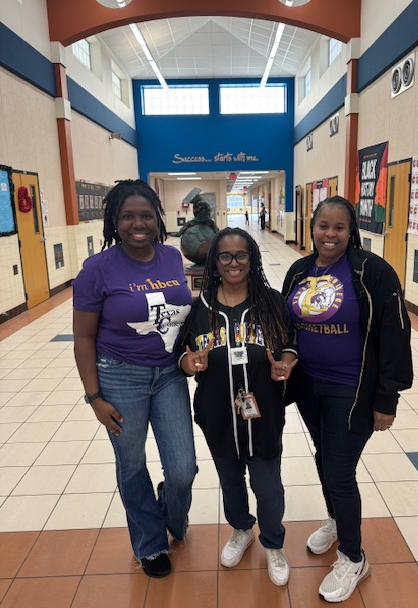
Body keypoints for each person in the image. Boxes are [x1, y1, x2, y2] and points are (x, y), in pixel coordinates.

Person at [282, 196, 413, 603]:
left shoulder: (372, 272)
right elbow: (286, 326)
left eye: (339, 227)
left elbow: (394, 335)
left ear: (351, 230)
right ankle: (338, 520)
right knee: (325, 457)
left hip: (352, 389)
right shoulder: (300, 270)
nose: (330, 234)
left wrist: (386, 398)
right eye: (323, 225)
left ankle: (354, 558)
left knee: (339, 471)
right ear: (312, 226)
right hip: (309, 385)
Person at [72, 179, 197, 579]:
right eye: (127, 216)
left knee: (183, 469)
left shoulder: (172, 257)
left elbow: (183, 314)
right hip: (119, 378)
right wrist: (94, 397)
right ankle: (150, 544)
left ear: (158, 219)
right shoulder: (97, 270)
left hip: (169, 376)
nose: (137, 224)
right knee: (131, 465)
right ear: (114, 220)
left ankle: (170, 513)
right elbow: (83, 337)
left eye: (145, 215)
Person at [177, 227, 298, 586]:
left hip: (264, 418)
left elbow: (290, 345)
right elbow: (182, 355)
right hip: (218, 416)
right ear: (214, 262)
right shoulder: (199, 308)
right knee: (230, 482)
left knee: (269, 487)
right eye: (225, 256)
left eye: (241, 255)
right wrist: (190, 364)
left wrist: (285, 364)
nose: (233, 263)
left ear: (252, 259)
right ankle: (242, 529)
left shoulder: (271, 302)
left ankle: (273, 543)